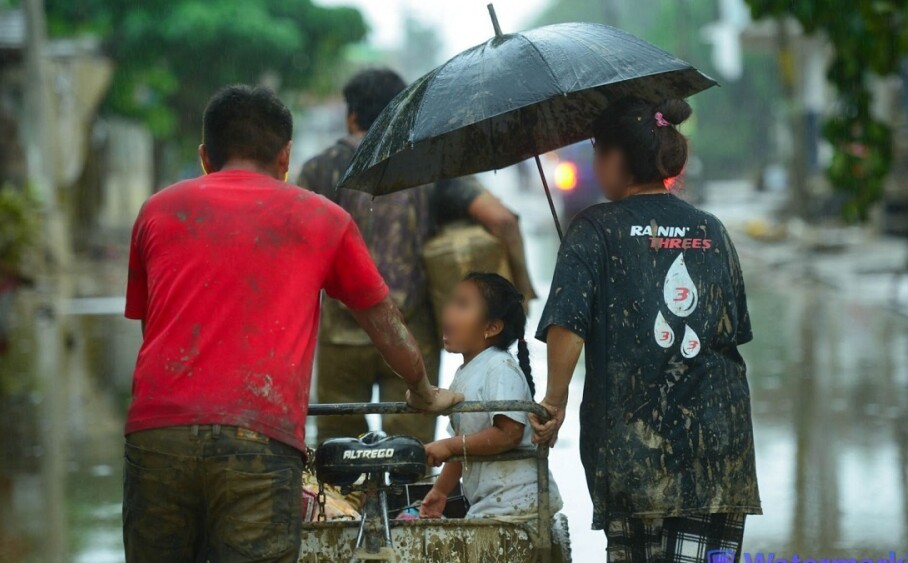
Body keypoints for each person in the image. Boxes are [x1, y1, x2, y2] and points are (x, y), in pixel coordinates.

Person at [122, 84, 460, 563]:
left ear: (204, 156)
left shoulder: (156, 212)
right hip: (259, 438)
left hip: (156, 432)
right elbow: (388, 327)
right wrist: (423, 389)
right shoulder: (322, 217)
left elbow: (153, 330)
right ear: (285, 156)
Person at [529, 98, 761, 562]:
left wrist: (554, 403)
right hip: (716, 456)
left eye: (597, 152)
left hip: (634, 457)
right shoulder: (712, 230)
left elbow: (567, 325)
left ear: (616, 159)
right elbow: (730, 330)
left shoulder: (593, 228)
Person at [298, 68, 535, 444]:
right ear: (401, 116)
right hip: (410, 338)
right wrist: (523, 290)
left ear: (352, 117)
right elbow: (503, 220)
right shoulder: (428, 169)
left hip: (341, 337)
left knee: (338, 462)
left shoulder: (317, 171)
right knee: (413, 458)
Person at [419, 273, 562, 520]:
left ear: (491, 327)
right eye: (451, 302)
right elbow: (464, 445)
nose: (448, 311)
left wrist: (448, 445)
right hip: (492, 504)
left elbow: (509, 434)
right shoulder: (465, 373)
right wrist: (440, 491)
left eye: (462, 305)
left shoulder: (499, 367)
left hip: (516, 502)